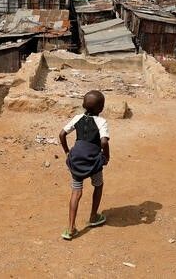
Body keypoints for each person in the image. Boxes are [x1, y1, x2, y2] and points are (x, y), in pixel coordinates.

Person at [59, 90, 110, 240]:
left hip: (76, 159)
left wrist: (67, 151)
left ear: (82, 105)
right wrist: (106, 156)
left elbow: (62, 134)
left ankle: (70, 228)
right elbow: (104, 142)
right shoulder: (101, 122)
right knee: (98, 185)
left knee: (76, 192)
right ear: (101, 108)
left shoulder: (77, 118)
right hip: (93, 160)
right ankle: (93, 216)